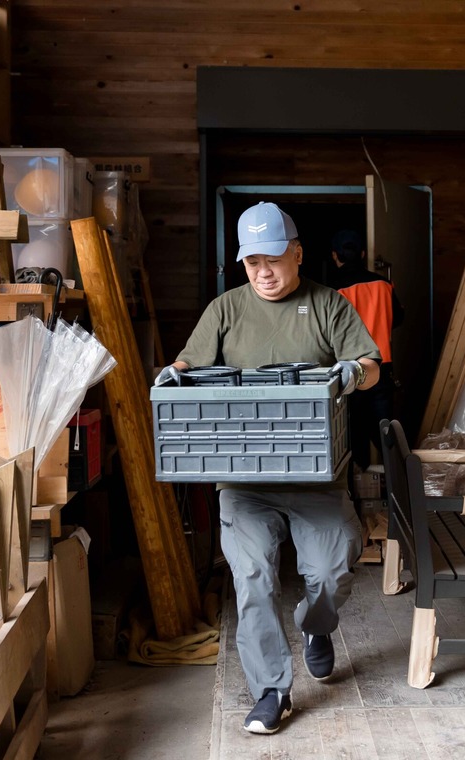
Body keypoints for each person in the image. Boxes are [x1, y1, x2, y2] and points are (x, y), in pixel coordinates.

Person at [155, 202, 380, 734]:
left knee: (332, 569)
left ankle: (315, 625)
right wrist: (173, 373)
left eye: (274, 258)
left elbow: (370, 367)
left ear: (297, 253)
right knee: (253, 580)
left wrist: (352, 374)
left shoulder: (329, 305)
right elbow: (189, 364)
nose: (263, 271)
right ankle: (271, 692)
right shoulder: (224, 310)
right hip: (243, 479)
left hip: (315, 477)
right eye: (252, 261)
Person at [329, 229, 404, 470]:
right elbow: (398, 318)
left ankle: (359, 493)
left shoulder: (332, 290)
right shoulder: (383, 284)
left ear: (334, 256)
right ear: (362, 254)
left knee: (353, 436)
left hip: (348, 372)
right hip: (382, 368)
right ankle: (399, 490)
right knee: (386, 437)